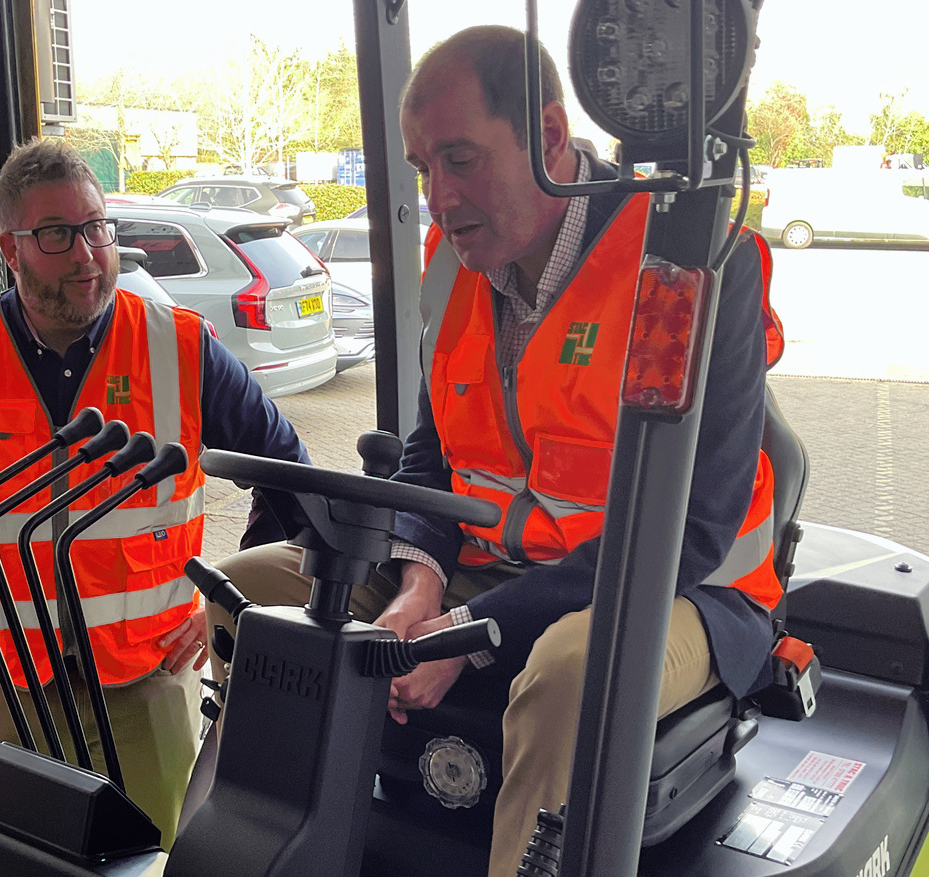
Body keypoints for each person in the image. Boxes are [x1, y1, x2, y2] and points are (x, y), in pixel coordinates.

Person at [208, 25, 783, 877]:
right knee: (252, 589)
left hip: (681, 589)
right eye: (421, 169)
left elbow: (693, 527)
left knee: (567, 676)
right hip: (489, 571)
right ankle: (276, 845)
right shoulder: (451, 267)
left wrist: (471, 634)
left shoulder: (691, 270)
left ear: (549, 138)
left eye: (461, 159)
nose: (437, 196)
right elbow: (429, 459)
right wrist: (420, 582)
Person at [0, 136, 309, 850]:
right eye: (56, 234)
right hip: (2, 679)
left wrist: (227, 597)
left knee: (156, 856)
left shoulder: (180, 346)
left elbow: (286, 472)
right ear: (10, 250)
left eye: (97, 226)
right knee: (16, 858)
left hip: (144, 680)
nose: (87, 253)